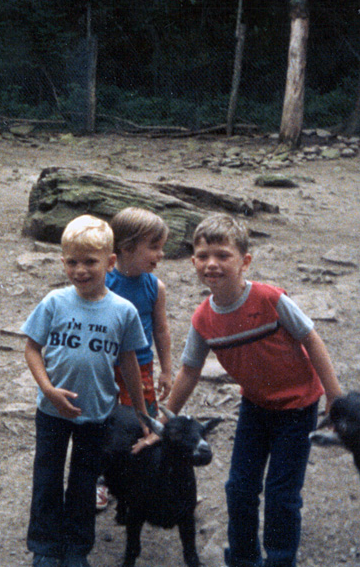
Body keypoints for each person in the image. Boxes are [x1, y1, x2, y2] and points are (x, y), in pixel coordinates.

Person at [163, 214, 343, 567]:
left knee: (281, 493)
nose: (211, 263)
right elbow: (189, 369)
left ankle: (279, 559)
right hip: (255, 408)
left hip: (297, 407)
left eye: (222, 255)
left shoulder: (269, 299)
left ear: (244, 261)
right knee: (240, 488)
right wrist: (165, 418)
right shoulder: (203, 319)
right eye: (203, 255)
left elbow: (311, 337)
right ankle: (243, 558)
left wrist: (334, 397)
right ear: (193, 262)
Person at [21, 214, 151, 567]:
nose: (81, 270)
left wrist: (142, 413)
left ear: (110, 263)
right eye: (72, 262)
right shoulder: (54, 302)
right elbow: (32, 347)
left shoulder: (123, 311)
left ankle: (77, 548)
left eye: (90, 261)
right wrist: (48, 389)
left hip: (97, 413)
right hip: (52, 411)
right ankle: (45, 546)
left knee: (84, 482)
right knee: (46, 476)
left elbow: (129, 364)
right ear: (63, 262)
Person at [96, 207, 173, 512]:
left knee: (143, 420)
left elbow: (161, 329)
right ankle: (101, 479)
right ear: (126, 248)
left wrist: (167, 369)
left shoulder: (155, 287)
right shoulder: (103, 282)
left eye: (161, 246)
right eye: (153, 247)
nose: (161, 254)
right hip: (104, 364)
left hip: (140, 365)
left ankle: (143, 474)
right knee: (104, 420)